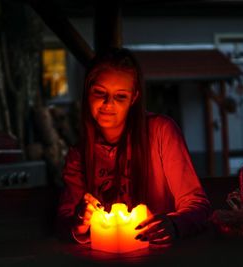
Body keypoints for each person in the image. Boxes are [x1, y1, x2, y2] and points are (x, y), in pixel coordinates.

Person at [56, 48, 211, 245]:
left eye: (120, 96)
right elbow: (63, 221)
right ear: (88, 91)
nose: (108, 103)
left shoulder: (160, 133)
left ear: (134, 97)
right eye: (99, 92)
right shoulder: (79, 156)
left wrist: (175, 224)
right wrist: (79, 222)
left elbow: (198, 204)